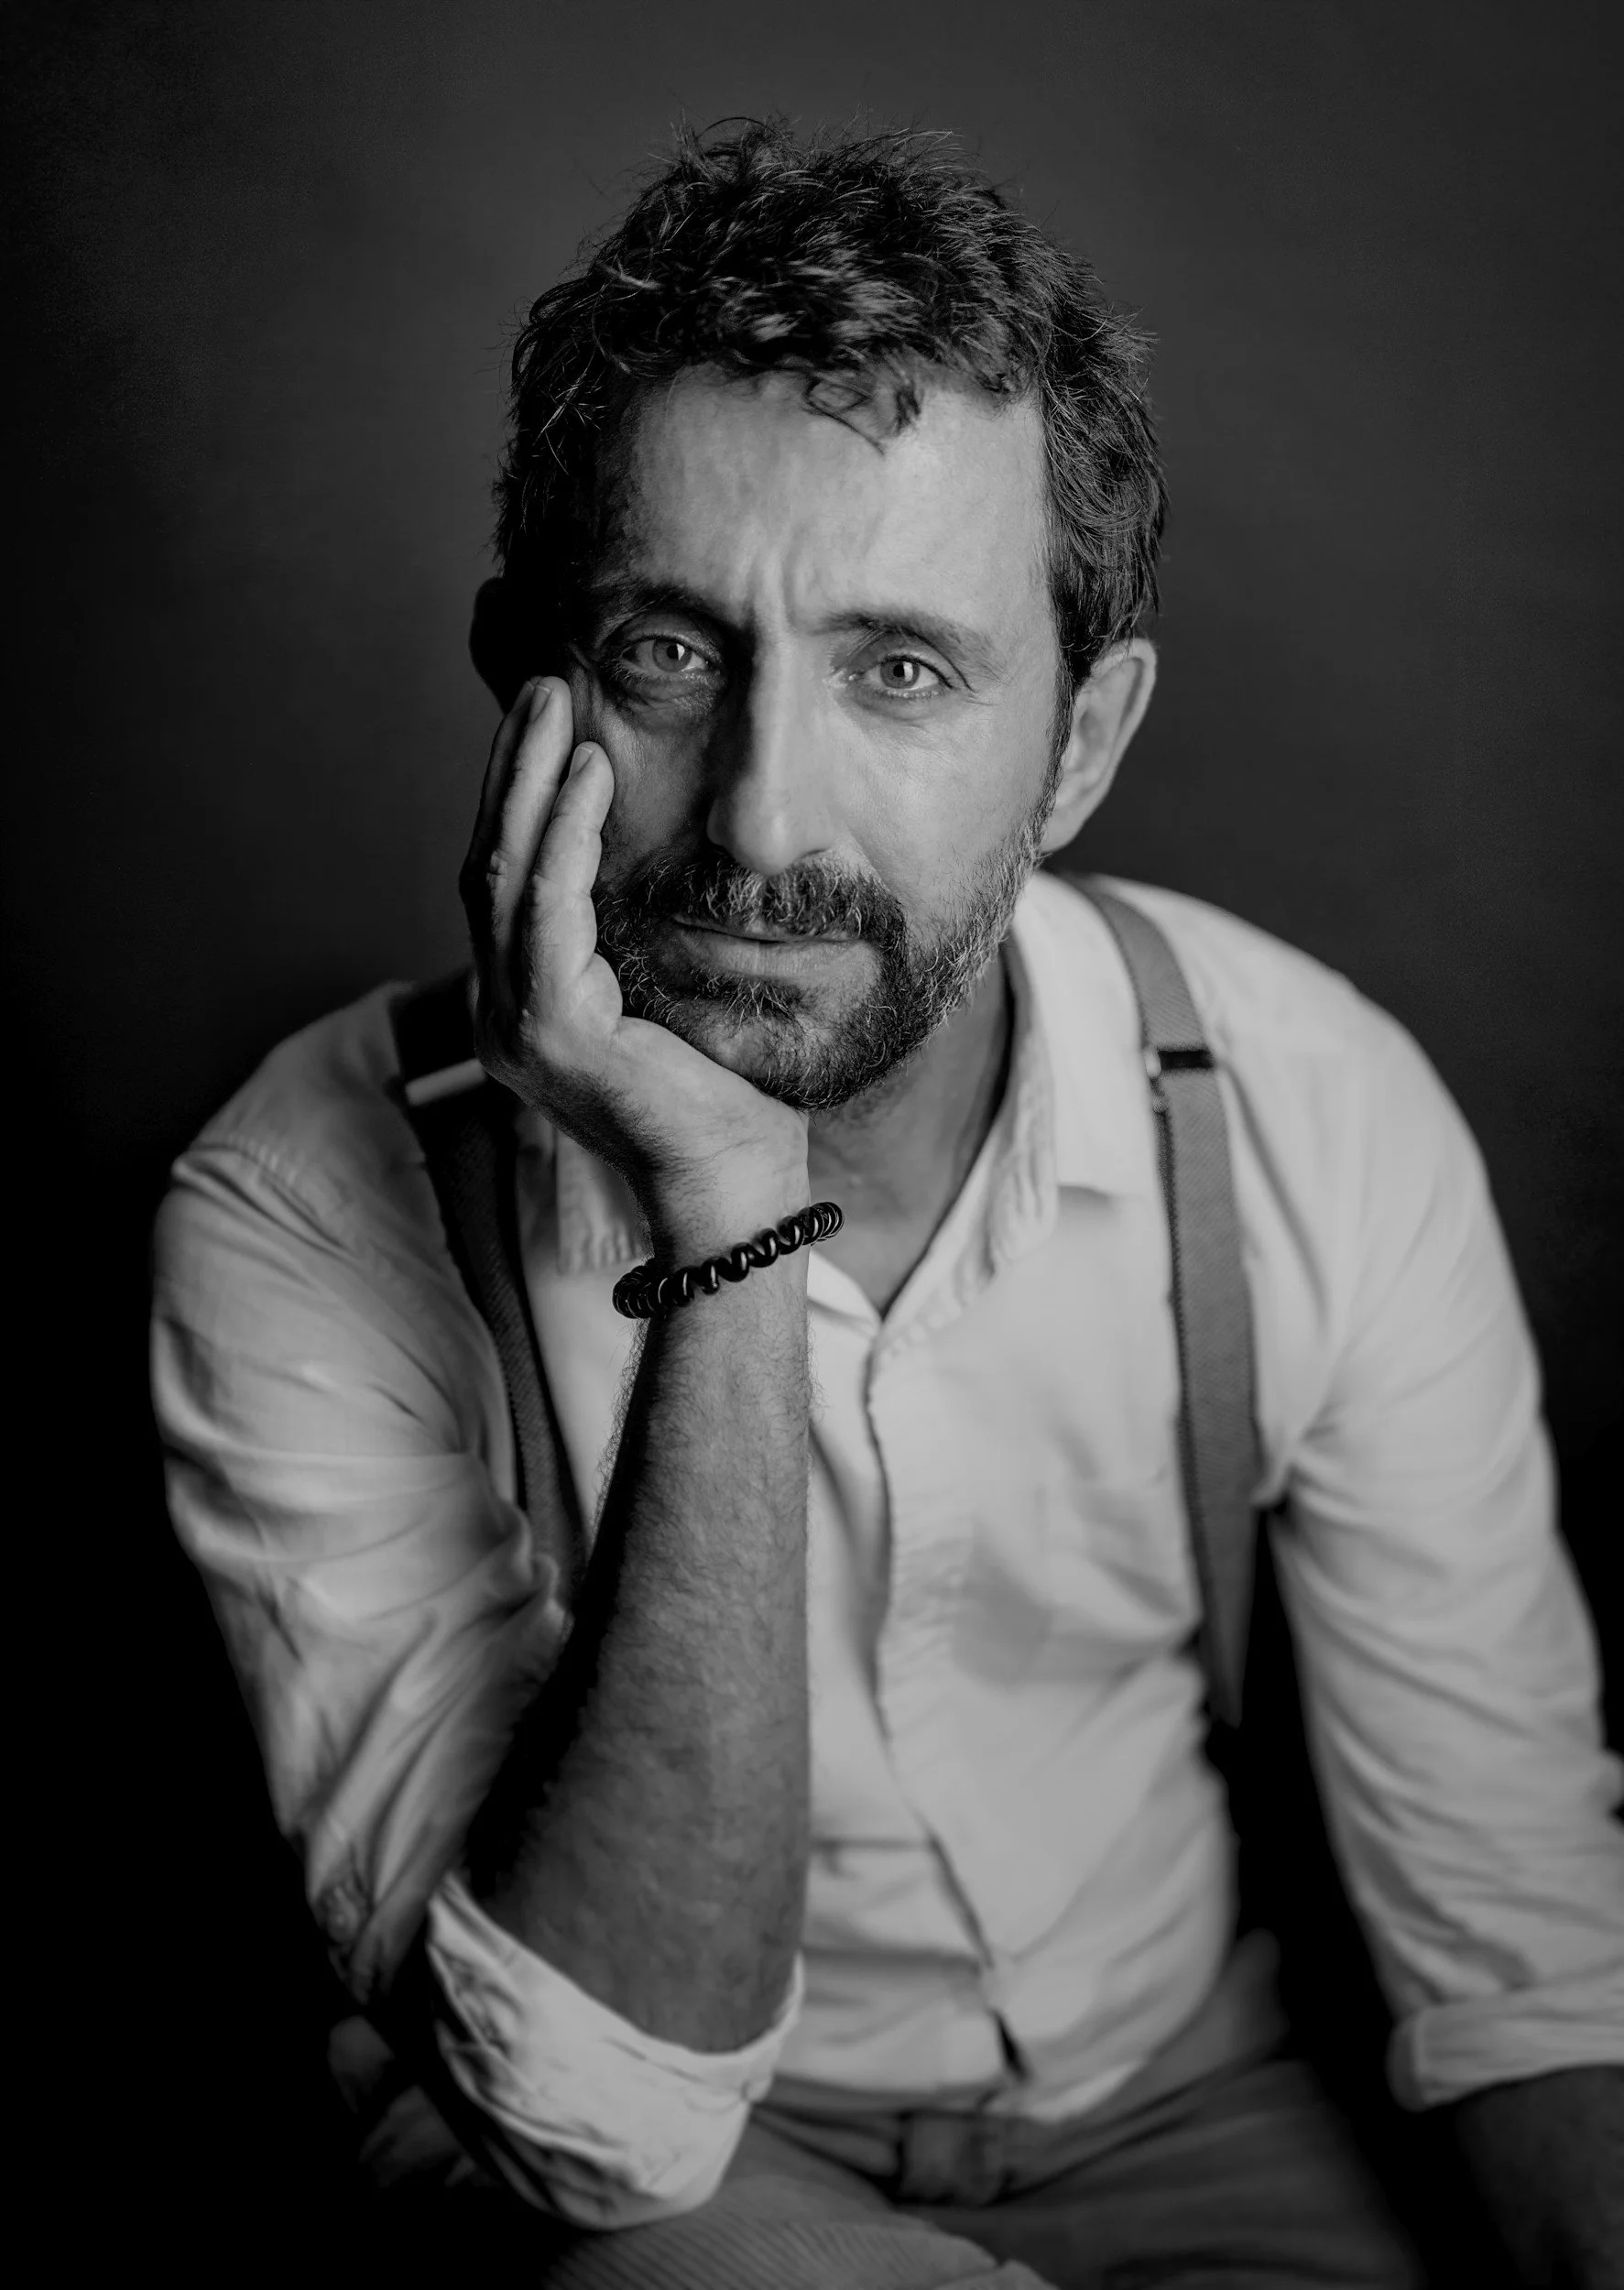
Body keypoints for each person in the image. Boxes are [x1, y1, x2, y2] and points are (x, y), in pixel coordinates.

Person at [150, 121, 1623, 2287]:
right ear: (522, 678)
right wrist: (730, 1218)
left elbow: (1519, 1953)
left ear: (1082, 742)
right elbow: (600, 2111)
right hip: (668, 2185)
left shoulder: (1309, 1112)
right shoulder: (294, 1207)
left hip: (1202, 2111)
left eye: (901, 671)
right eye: (667, 652)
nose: (762, 818)